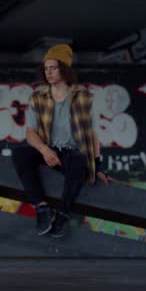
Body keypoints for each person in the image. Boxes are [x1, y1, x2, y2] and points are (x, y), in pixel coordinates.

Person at [12, 44, 109, 238]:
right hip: (46, 150)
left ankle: (63, 214)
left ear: (64, 68)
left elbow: (91, 134)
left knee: (79, 160)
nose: (48, 72)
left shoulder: (82, 98)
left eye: (53, 68)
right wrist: (44, 150)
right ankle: (41, 208)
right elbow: (30, 133)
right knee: (20, 152)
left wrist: (98, 167)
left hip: (69, 154)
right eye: (46, 68)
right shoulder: (38, 97)